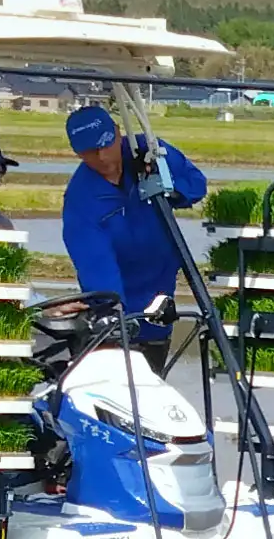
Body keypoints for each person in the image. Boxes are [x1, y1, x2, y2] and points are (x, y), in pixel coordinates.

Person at [59, 101, 208, 357]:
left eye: (106, 144)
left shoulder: (150, 152)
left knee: (154, 378)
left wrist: (169, 187)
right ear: (79, 154)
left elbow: (197, 184)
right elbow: (95, 261)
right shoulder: (81, 199)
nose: (103, 156)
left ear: (118, 132)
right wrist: (113, 312)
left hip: (160, 295)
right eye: (91, 152)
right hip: (120, 308)